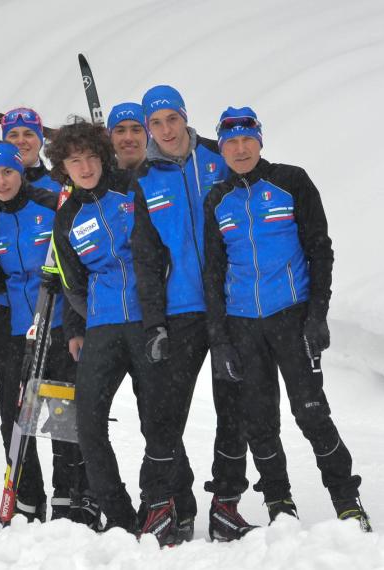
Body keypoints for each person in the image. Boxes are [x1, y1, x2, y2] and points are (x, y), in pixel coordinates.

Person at [202, 106, 371, 532]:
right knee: (259, 422)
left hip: (292, 317)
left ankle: (346, 500)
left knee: (311, 412)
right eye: (231, 143)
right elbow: (214, 272)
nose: (240, 149)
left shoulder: (291, 182)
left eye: (247, 140)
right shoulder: (217, 199)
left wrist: (317, 315)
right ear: (221, 148)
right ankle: (280, 504)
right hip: (242, 324)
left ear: (260, 140)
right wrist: (219, 339)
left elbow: (320, 250)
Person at [47, 119, 182, 545]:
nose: (85, 167)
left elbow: (160, 248)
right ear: (64, 168)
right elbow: (72, 283)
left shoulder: (132, 188)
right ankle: (122, 518)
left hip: (147, 321)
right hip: (102, 328)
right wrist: (86, 322)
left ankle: (165, 506)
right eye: (75, 161)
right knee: (87, 428)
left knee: (158, 422)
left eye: (90, 158)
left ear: (102, 158)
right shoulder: (66, 218)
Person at [134, 85, 253, 542]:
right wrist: (154, 322)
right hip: (180, 310)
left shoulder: (217, 159)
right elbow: (145, 258)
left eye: (171, 118)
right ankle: (161, 505)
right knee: (164, 415)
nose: (165, 129)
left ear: (185, 117)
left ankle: (226, 505)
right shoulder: (145, 180)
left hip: (229, 308)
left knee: (234, 409)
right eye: (156, 122)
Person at [0, 141, 92, 524]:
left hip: (58, 321)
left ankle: (69, 498)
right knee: (14, 416)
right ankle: (26, 502)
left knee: (61, 413)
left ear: (21, 171)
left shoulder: (50, 205)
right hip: (13, 328)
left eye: (8, 173)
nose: (1, 182)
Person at [107, 102, 149, 171]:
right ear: (110, 137)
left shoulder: (169, 177)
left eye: (136, 130)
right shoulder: (98, 179)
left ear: (148, 135)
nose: (128, 138)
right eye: (120, 131)